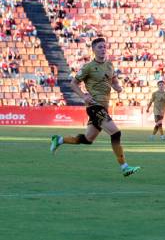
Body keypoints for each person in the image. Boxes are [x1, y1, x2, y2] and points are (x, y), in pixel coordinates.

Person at [50, 38, 140, 177]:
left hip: (103, 107)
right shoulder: (88, 67)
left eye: (104, 46)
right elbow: (73, 84)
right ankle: (125, 167)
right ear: (93, 50)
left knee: (87, 139)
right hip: (94, 106)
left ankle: (59, 140)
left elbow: (114, 81)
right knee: (116, 133)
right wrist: (83, 96)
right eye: (99, 47)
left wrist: (118, 87)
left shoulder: (110, 65)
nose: (103, 49)